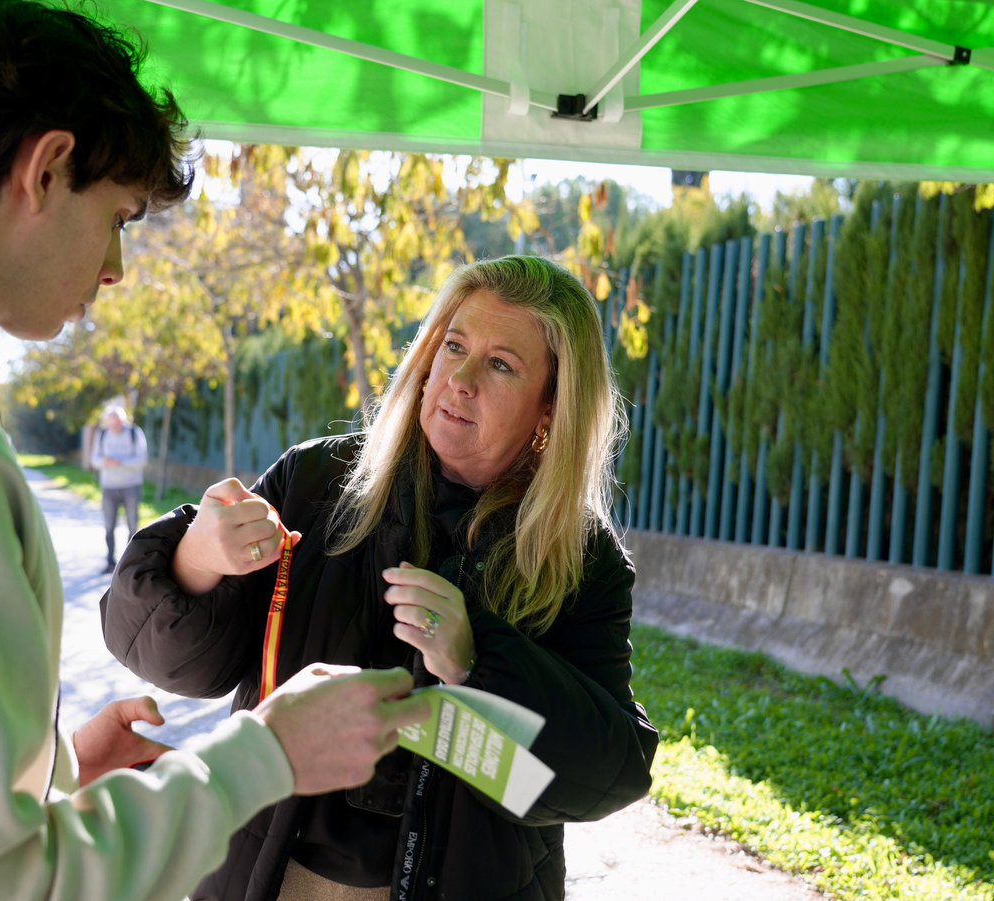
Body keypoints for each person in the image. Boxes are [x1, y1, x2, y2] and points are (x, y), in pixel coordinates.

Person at [0, 1, 430, 898]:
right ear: (47, 170)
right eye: (120, 216)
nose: (116, 267)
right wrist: (268, 753)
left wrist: (47, 778)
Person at [102, 255, 660, 900]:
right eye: (453, 346)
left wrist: (479, 660)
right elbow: (181, 668)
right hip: (267, 876)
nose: (461, 379)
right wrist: (194, 563)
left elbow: (601, 778)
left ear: (550, 410)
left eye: (502, 364)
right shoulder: (316, 484)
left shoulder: (580, 561)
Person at [91, 404, 148, 572]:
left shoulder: (134, 433)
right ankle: (110, 562)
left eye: (117, 423)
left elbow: (142, 460)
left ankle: (129, 564)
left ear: (123, 421)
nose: (114, 427)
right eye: (111, 424)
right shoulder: (101, 435)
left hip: (131, 486)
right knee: (109, 526)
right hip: (109, 487)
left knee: (132, 525)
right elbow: (94, 459)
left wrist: (119, 462)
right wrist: (104, 462)